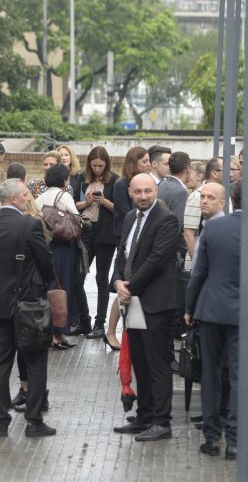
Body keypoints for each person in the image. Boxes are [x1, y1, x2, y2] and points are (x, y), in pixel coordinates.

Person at [185, 178, 248, 460]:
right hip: (247, 316)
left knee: (210, 376)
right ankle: (234, 441)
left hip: (211, 311)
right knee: (240, 378)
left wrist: (189, 307)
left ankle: (211, 439)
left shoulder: (212, 228)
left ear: (231, 200)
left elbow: (199, 272)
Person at [0, 179, 56, 438]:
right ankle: (33, 422)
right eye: (24, 195)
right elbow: (46, 262)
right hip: (29, 304)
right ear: (12, 199)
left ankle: (0, 422)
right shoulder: (30, 224)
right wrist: (42, 287)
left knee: (0, 361)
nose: (27, 198)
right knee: (35, 360)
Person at [111, 173, 180, 442]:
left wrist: (128, 288)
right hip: (134, 303)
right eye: (138, 191)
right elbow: (123, 254)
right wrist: (117, 281)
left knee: (158, 365)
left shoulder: (166, 219)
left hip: (155, 304)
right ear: (130, 191)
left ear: (156, 191)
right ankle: (145, 416)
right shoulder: (130, 217)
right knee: (140, 361)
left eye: (148, 191)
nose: (143, 196)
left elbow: (156, 260)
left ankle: (162, 422)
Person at [104, 146, 150, 348]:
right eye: (144, 161)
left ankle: (128, 333)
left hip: (142, 243)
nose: (148, 164)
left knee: (132, 288)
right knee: (125, 285)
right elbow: (125, 213)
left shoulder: (148, 182)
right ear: (134, 162)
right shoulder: (122, 184)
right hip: (128, 243)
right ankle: (111, 331)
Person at [76, 146, 119, 339]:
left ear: (106, 164)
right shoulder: (81, 178)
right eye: (94, 165)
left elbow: (120, 208)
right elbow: (72, 204)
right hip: (85, 231)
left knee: (102, 278)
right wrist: (86, 202)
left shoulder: (115, 180)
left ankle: (99, 324)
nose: (97, 169)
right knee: (78, 278)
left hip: (105, 235)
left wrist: (104, 202)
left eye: (101, 166)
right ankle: (83, 320)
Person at [35, 165, 78, 349]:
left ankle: (51, 332)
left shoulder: (40, 197)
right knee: (62, 288)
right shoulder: (64, 195)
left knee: (49, 288)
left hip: (46, 246)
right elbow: (76, 218)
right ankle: (58, 332)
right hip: (63, 247)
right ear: (64, 180)